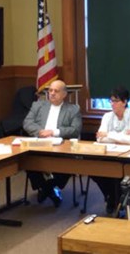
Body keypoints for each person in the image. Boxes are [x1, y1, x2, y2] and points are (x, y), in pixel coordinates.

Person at [23, 79, 82, 207]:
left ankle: (46, 189)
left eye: (56, 91)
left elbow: (75, 130)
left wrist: (54, 132)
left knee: (68, 163)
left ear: (64, 94)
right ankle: (50, 189)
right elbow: (27, 123)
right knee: (26, 160)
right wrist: (40, 132)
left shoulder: (73, 109)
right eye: (50, 90)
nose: (52, 93)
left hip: (61, 146)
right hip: (40, 143)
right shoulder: (38, 105)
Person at [94, 86, 130, 214]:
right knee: (94, 170)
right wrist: (120, 137)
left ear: (125, 102)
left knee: (118, 173)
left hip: (129, 156)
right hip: (108, 154)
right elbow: (99, 139)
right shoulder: (107, 116)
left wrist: (108, 135)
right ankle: (112, 198)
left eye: (116, 101)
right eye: (111, 101)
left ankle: (113, 200)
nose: (112, 104)